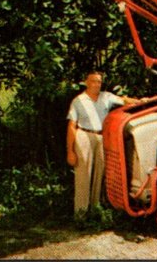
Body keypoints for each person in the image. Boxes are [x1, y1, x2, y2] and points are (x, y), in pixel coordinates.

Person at [66, 71, 142, 215]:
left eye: (99, 81)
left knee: (99, 174)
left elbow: (124, 100)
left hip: (101, 137)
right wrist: (70, 151)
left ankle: (95, 211)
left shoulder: (106, 97)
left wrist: (140, 101)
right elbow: (71, 126)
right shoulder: (78, 101)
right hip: (84, 136)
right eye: (93, 81)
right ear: (86, 83)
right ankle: (81, 214)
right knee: (83, 175)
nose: (96, 84)